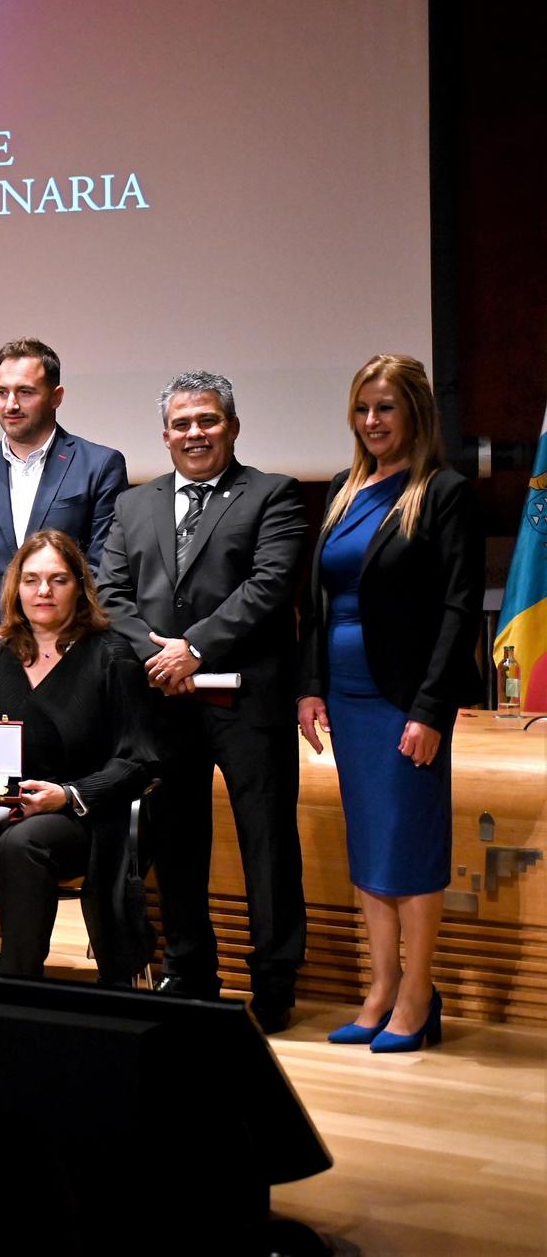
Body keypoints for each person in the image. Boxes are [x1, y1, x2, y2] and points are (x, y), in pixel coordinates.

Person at [97, 371, 308, 1030]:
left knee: (266, 844)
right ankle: (190, 969)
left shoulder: (274, 495)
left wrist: (194, 647)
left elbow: (269, 586)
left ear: (233, 426)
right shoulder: (134, 505)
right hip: (163, 700)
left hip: (249, 701)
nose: (196, 432)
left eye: (208, 419)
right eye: (183, 423)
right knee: (178, 842)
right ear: (164, 435)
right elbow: (109, 593)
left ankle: (274, 982)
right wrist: (160, 655)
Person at [299, 355, 482, 1053]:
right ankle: (379, 988)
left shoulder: (443, 493)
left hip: (405, 698)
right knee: (370, 843)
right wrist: (310, 685)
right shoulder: (345, 493)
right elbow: (316, 602)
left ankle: (417, 992)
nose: (372, 422)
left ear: (415, 414)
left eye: (385, 408)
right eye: (362, 409)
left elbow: (460, 608)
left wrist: (431, 709)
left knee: (411, 844)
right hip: (345, 697)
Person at [0, 530, 158, 981]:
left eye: (57, 580)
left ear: (80, 588)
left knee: (22, 843)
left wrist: (67, 795)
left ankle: (17, 987)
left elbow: (137, 761)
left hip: (77, 814)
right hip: (0, 804)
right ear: (16, 589)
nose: (42, 591)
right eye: (30, 580)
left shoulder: (112, 657)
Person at [0, 338, 129, 658]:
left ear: (56, 397)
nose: (11, 404)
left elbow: (103, 565)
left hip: (73, 655)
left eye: (25, 392)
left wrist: (59, 642)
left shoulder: (100, 465)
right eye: (2, 392)